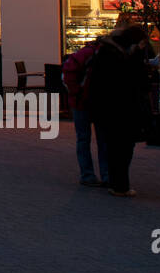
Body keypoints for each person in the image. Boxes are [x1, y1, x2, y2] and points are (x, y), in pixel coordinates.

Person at [86, 23, 154, 197]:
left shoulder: (107, 52)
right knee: (122, 147)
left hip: (106, 109)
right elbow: (134, 81)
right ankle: (120, 185)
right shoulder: (122, 56)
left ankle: (116, 182)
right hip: (120, 109)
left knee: (114, 146)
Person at [63, 40, 109, 187]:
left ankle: (87, 174)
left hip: (81, 102)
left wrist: (76, 93)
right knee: (103, 140)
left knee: (83, 139)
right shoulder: (104, 54)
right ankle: (106, 174)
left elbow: (68, 73)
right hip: (97, 103)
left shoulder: (84, 54)